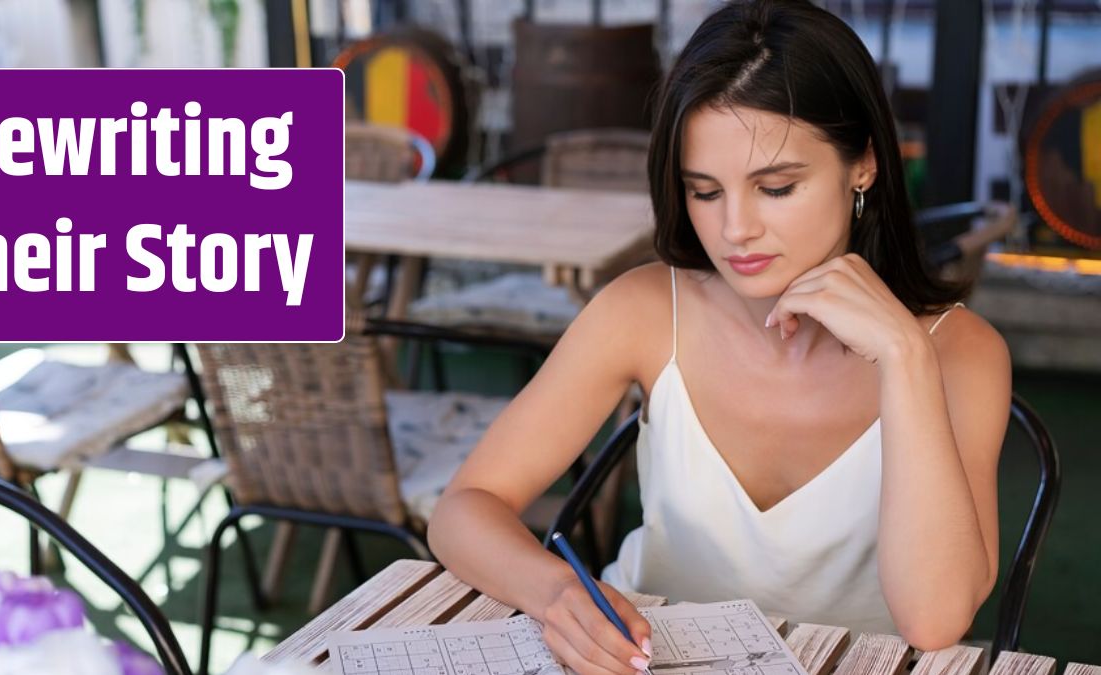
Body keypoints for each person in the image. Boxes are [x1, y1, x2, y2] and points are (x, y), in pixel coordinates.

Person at [427, 1, 1011, 672]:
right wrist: (559, 592)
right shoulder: (646, 309)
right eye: (705, 191)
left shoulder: (961, 353)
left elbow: (935, 619)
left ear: (865, 166)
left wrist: (904, 356)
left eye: (777, 187)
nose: (735, 229)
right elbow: (464, 509)